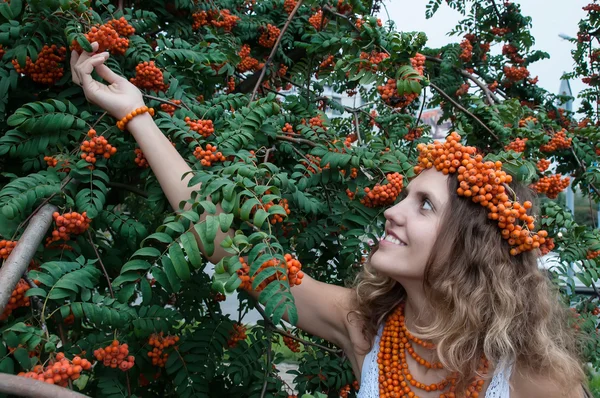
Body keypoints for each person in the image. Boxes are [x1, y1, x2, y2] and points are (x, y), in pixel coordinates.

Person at [71, 43, 588, 398]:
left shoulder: (536, 377)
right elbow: (223, 243)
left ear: (475, 245)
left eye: (424, 205)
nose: (391, 210)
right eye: (404, 196)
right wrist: (136, 115)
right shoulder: (367, 330)